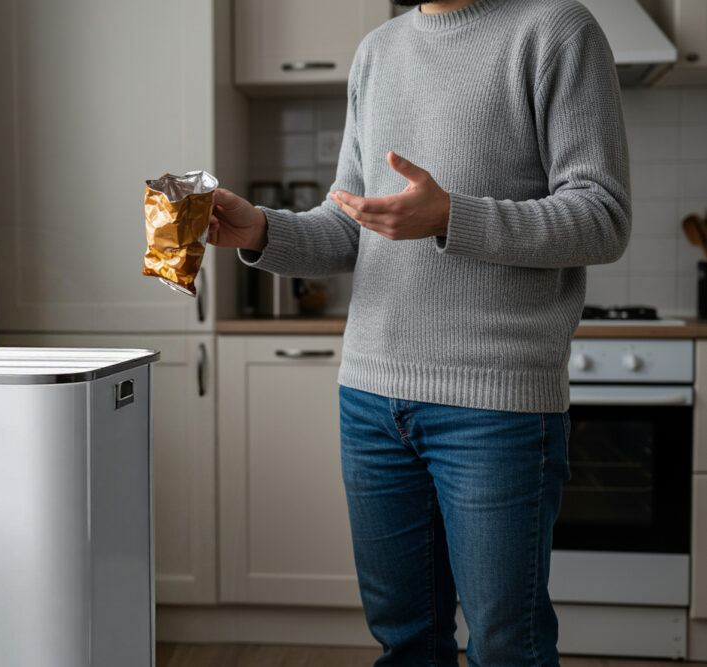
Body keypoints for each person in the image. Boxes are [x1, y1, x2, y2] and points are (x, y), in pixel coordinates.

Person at [207, 0, 630, 665]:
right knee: (404, 644)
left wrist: (449, 216)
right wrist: (260, 229)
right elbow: (350, 223)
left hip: (494, 404)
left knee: (505, 648)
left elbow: (601, 216)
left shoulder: (554, 30)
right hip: (370, 401)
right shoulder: (377, 50)